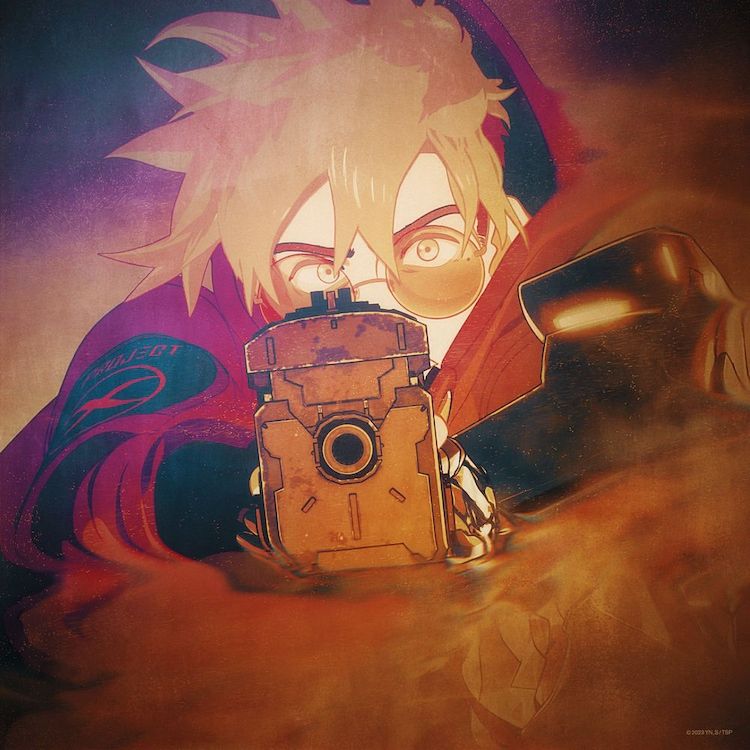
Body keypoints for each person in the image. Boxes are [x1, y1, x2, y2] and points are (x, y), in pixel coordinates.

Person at [1, 0, 538, 573]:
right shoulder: (184, 330)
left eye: (427, 249)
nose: (377, 311)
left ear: (504, 230)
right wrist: (257, 483)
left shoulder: (527, 311)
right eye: (322, 274)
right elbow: (87, 490)